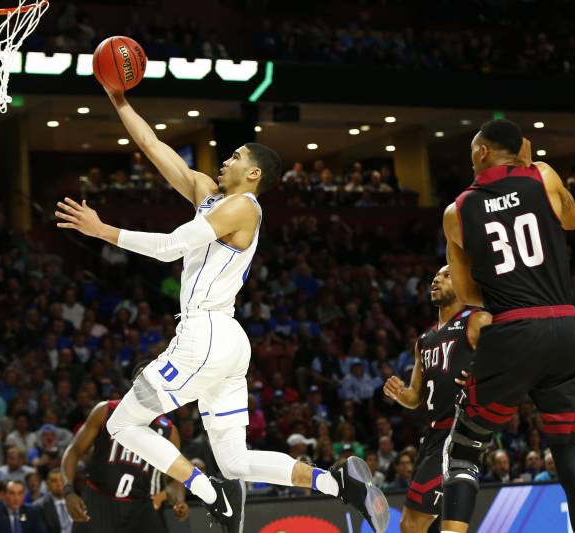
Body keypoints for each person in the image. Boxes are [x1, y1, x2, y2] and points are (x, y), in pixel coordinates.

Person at [55, 84, 389, 533]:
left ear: (254, 174)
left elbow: (172, 247)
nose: (226, 159)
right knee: (234, 462)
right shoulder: (208, 195)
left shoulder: (244, 208)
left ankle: (210, 494)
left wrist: (102, 231)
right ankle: (336, 484)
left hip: (206, 335)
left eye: (235, 156)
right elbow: (152, 145)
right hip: (226, 340)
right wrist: (119, 100)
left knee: (121, 425)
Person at [440, 119, 575, 533]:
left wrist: (505, 288)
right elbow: (572, 219)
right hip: (566, 328)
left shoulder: (457, 210)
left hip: (513, 330)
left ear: (481, 152)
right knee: (570, 457)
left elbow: (466, 292)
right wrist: (533, 168)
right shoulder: (543, 175)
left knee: (464, 449)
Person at [383, 265, 491, 533]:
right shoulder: (424, 339)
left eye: (446, 275)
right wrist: (399, 393)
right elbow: (415, 397)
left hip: (456, 433)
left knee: (411, 523)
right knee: (438, 525)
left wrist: (480, 377)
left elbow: (507, 362)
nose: (436, 279)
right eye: (435, 276)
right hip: (430, 437)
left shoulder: (476, 320)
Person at [60, 361, 188, 533]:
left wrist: (179, 500)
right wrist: (68, 491)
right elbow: (73, 452)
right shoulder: (105, 411)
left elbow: (175, 480)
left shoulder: (169, 431)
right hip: (99, 501)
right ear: (134, 383)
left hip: (140, 508)